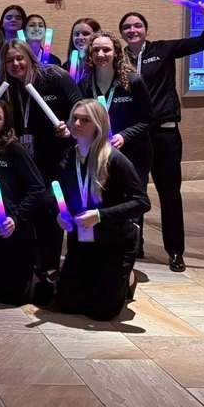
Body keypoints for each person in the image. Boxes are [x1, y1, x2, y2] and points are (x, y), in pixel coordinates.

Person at [120, 1, 204, 272]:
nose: (132, 30)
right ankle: (134, 243)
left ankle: (175, 251)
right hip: (135, 137)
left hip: (164, 135)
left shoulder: (163, 50)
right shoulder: (120, 58)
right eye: (127, 27)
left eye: (137, 25)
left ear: (146, 29)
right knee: (132, 192)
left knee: (170, 194)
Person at [55, 99, 150, 320]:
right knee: (67, 304)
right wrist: (62, 213)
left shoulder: (115, 159)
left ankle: (128, 280)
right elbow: (63, 192)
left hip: (115, 241)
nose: (77, 123)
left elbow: (142, 202)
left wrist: (99, 215)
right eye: (75, 118)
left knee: (102, 312)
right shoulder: (70, 157)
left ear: (98, 125)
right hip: (83, 241)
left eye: (85, 120)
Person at [0, 39, 80, 285]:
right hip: (25, 161)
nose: (15, 64)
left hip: (55, 157)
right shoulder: (6, 87)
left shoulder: (54, 76)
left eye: (19, 58)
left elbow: (80, 106)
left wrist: (70, 126)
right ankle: (30, 265)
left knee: (49, 206)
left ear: (29, 57)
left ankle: (50, 266)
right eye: (9, 60)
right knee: (27, 209)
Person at [0, 99, 47, 305]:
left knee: (13, 298)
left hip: (13, 231)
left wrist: (16, 218)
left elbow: (38, 187)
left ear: (5, 123)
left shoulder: (14, 150)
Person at [79, 31, 153, 188]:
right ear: (90, 54)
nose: (100, 54)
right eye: (95, 50)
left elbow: (146, 120)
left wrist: (123, 136)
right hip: (100, 154)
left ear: (116, 53)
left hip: (133, 152)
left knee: (132, 203)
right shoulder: (85, 84)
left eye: (106, 50)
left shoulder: (133, 81)